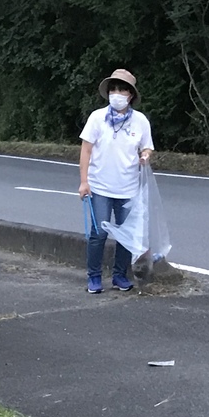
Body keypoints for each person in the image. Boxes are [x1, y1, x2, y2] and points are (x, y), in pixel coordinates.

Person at [78, 69, 154, 294]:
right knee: (98, 233)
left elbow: (147, 146)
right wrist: (84, 182)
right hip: (100, 186)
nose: (117, 94)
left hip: (129, 188)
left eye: (122, 90)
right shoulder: (97, 118)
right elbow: (86, 149)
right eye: (113, 89)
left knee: (125, 234)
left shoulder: (140, 121)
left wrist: (146, 155)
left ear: (130, 95)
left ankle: (120, 275)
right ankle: (94, 277)